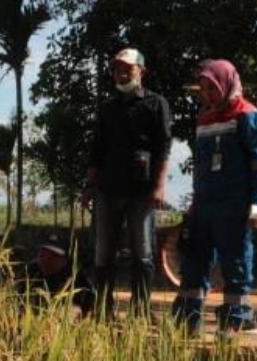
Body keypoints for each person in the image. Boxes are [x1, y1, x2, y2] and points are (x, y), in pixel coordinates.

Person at [170, 59, 257, 337]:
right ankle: (187, 321)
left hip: (235, 205)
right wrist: (194, 206)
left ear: (226, 84)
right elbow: (202, 166)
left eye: (212, 88)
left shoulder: (248, 116)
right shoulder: (204, 118)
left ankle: (236, 320)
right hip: (205, 205)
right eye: (202, 89)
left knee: (235, 262)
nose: (206, 95)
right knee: (194, 261)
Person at [82, 47, 172, 320]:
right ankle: (102, 308)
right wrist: (89, 187)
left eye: (127, 69)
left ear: (141, 71)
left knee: (143, 251)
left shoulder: (157, 104)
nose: (121, 74)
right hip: (108, 190)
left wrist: (158, 186)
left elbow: (164, 147)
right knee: (103, 252)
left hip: (141, 192)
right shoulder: (108, 108)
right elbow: (97, 150)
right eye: (117, 69)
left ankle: (140, 311)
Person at [17, 238, 97, 318]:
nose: (45, 259)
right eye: (43, 253)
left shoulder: (78, 278)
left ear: (65, 260)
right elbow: (18, 297)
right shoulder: (31, 270)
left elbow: (89, 305)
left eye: (53, 255)